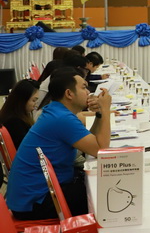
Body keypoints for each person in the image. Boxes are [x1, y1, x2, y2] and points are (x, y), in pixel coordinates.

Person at [6, 68, 111, 220]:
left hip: (33, 194)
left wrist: (100, 113)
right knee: (102, 194)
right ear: (69, 94)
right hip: (35, 202)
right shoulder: (61, 118)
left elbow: (93, 142)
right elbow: (101, 150)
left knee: (97, 185)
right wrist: (106, 109)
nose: (88, 92)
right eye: (83, 87)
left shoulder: (57, 111)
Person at [0, 79, 38, 149]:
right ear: (23, 100)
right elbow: (29, 147)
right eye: (33, 100)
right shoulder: (15, 122)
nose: (35, 105)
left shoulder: (12, 114)